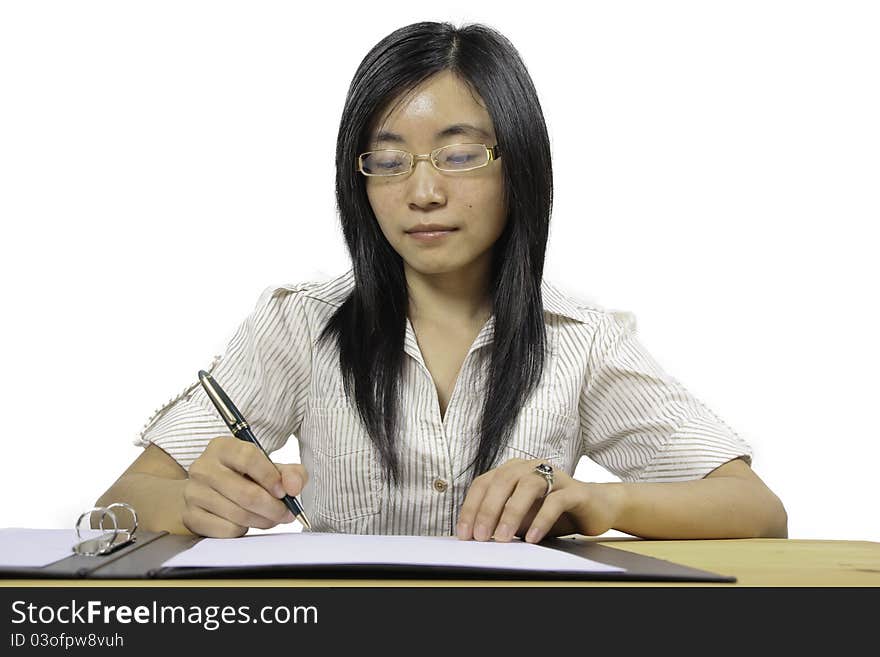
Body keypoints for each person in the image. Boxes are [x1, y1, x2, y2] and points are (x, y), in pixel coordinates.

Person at [96, 20, 787, 542]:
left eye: (458, 155)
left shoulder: (582, 341)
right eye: (389, 161)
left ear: (517, 168)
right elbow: (116, 504)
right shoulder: (299, 325)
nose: (422, 191)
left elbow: (757, 510)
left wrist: (598, 502)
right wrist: (192, 501)